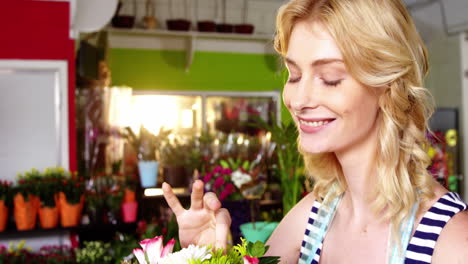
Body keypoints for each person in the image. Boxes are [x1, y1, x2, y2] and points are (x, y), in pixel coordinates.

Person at [162, 0, 468, 263]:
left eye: (330, 78)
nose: (298, 99)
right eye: (294, 75)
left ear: (388, 87)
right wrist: (213, 255)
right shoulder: (313, 216)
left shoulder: (451, 241)